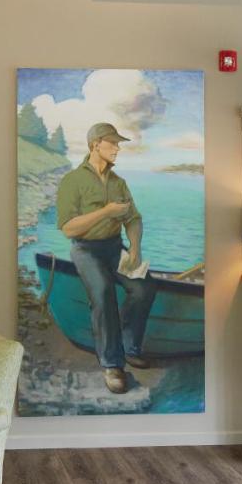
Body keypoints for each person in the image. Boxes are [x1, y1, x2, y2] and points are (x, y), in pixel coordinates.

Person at [56, 123, 157, 394]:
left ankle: (130, 347)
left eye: (118, 144)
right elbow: (68, 229)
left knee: (145, 287)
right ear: (95, 145)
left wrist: (135, 247)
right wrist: (106, 212)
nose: (117, 148)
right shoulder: (72, 181)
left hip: (115, 248)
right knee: (102, 292)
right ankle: (112, 364)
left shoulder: (118, 183)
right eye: (112, 143)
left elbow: (133, 218)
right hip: (85, 250)